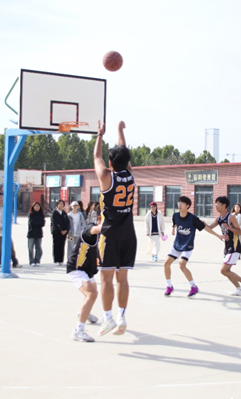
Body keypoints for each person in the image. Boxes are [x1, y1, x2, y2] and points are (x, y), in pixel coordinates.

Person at [93, 120, 137, 336]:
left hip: (109, 234)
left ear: (110, 163)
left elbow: (96, 157)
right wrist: (120, 131)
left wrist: (100, 134)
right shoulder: (130, 175)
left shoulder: (106, 177)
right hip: (129, 234)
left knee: (106, 279)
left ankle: (108, 318)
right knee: (123, 279)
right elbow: (122, 155)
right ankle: (122, 316)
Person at [163, 196, 224, 297]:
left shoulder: (193, 219)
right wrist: (173, 229)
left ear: (187, 206)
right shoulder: (175, 215)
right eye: (179, 203)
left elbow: (206, 228)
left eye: (182, 203)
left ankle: (193, 286)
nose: (179, 205)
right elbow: (175, 223)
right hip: (177, 244)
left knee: (182, 265)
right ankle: (169, 286)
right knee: (166, 263)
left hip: (188, 245)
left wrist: (218, 236)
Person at [208, 196, 241, 296]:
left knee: (223, 270)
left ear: (224, 206)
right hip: (227, 247)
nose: (216, 206)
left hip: (235, 247)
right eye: (215, 204)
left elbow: (239, 231)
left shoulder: (231, 217)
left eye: (218, 204)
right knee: (226, 271)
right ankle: (238, 289)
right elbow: (210, 227)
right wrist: (200, 223)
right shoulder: (219, 218)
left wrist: (229, 227)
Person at [67, 223, 101, 342]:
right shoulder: (88, 231)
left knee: (93, 291)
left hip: (86, 269)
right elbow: (97, 229)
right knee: (91, 294)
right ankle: (78, 331)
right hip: (76, 269)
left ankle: (85, 313)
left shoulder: (98, 237)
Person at [0, 192, 21, 269]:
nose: (1, 199)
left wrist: (6, 227)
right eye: (0, 197)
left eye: (2, 197)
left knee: (11, 248)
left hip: (6, 232)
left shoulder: (7, 208)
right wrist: (2, 226)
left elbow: (10, 218)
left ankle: (14, 262)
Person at [51, 200, 70, 266]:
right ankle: (56, 260)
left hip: (64, 233)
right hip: (56, 232)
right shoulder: (54, 213)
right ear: (57, 205)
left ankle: (61, 260)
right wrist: (60, 230)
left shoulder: (64, 213)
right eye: (60, 204)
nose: (61, 205)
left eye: (62, 204)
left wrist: (66, 230)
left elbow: (68, 222)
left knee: (62, 246)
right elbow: (55, 223)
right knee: (56, 245)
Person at [28, 202, 45, 267]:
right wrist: (38, 223)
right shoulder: (31, 214)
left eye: (38, 206)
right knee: (30, 248)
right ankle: (31, 261)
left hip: (39, 233)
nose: (37, 207)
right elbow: (31, 223)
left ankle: (37, 260)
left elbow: (43, 223)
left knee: (38, 248)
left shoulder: (41, 214)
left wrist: (37, 223)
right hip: (31, 233)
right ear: (33, 207)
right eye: (35, 206)